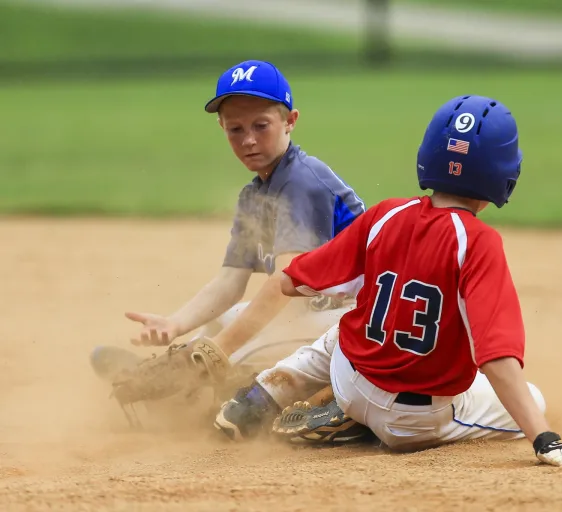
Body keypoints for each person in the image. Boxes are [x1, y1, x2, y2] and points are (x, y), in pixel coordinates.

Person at [213, 95, 562, 466]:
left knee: (343, 331)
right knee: (534, 398)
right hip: (413, 423)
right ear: (503, 172)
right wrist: (544, 437)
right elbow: (497, 359)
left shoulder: (386, 214)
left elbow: (291, 282)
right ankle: (362, 428)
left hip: (350, 383)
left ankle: (259, 398)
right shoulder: (479, 243)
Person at [91, 60, 366, 417]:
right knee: (223, 323)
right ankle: (181, 396)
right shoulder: (255, 195)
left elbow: (285, 282)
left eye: (261, 126)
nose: (248, 139)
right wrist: (176, 325)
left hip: (360, 319)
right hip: (318, 312)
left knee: (239, 352)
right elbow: (230, 282)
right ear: (221, 127)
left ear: (290, 121)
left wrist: (214, 352)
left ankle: (202, 403)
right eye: (235, 129)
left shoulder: (302, 182)